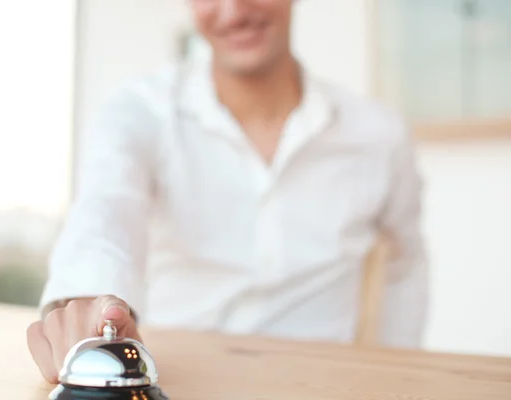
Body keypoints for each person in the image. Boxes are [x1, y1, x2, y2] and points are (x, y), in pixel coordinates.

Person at [27, 0, 429, 383]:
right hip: (181, 381)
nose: (233, 11)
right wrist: (91, 300)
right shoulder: (138, 113)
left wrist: (394, 371)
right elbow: (106, 208)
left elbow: (404, 266)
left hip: (323, 383)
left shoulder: (379, 134)